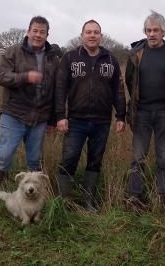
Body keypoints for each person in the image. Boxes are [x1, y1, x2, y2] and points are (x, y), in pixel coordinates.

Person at [0, 16, 59, 220]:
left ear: (47, 35)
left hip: (39, 119)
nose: (38, 35)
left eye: (42, 32)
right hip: (13, 114)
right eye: (35, 30)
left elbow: (55, 92)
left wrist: (52, 120)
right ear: (28, 31)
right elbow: (0, 76)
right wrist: (25, 77)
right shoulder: (13, 52)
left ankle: (34, 208)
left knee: (35, 161)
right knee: (3, 156)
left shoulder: (52, 59)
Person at [55, 19, 126, 211]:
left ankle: (88, 202)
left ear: (101, 36)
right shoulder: (70, 58)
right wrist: (60, 115)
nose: (92, 35)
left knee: (95, 161)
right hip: (75, 120)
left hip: (101, 121)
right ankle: (63, 202)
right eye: (88, 32)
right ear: (82, 35)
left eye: (96, 32)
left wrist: (121, 116)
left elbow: (118, 89)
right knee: (69, 159)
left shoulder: (110, 59)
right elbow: (60, 88)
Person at [125, 10, 165, 218]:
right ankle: (134, 199)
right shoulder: (136, 54)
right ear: (145, 32)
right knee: (138, 158)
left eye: (156, 30)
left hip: (164, 114)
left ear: (164, 31)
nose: (152, 34)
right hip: (141, 113)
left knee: (162, 159)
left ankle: (162, 201)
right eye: (148, 30)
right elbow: (129, 81)